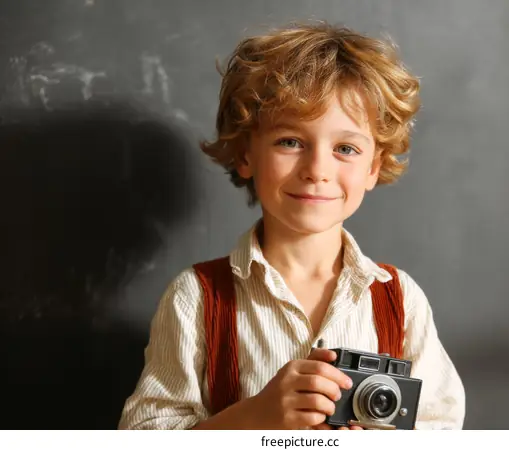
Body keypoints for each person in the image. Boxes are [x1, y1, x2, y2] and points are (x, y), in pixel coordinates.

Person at [118, 21, 465, 431]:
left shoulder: (399, 300)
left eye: (345, 148)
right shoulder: (196, 298)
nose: (317, 170)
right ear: (246, 155)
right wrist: (254, 418)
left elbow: (441, 427)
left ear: (373, 167)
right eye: (290, 141)